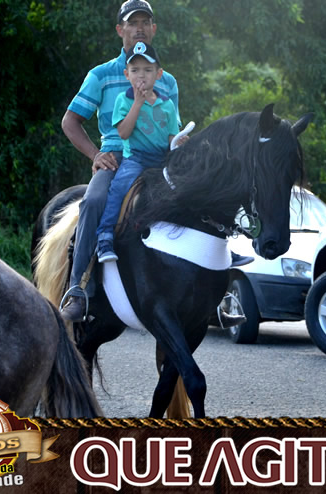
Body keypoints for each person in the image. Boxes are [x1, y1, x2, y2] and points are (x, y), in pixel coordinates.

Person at [60, 0, 251, 322]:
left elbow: (170, 128)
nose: (139, 28)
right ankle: (78, 288)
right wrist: (96, 155)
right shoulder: (102, 75)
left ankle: (216, 293)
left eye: (144, 22)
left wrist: (180, 143)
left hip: (162, 158)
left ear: (153, 29)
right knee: (93, 201)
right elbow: (70, 121)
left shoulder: (167, 81)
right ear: (120, 30)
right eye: (132, 23)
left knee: (206, 191)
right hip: (119, 157)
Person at [96, 41, 182, 263]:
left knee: (182, 189)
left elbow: (171, 137)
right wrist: (137, 103)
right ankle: (105, 236)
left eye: (147, 70)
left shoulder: (166, 105)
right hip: (136, 159)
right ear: (127, 74)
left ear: (158, 74)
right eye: (135, 70)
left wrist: (180, 141)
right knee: (118, 188)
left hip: (162, 160)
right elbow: (123, 132)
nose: (141, 75)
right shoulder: (123, 100)